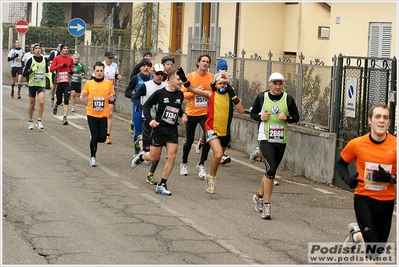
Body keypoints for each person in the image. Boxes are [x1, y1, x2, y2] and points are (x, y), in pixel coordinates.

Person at [336, 103, 396, 262]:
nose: (381, 121)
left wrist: (391, 179)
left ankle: (356, 235)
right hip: (364, 199)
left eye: (385, 117)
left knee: (378, 248)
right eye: (377, 117)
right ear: (370, 120)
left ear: (389, 122)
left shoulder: (396, 145)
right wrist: (347, 178)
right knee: (373, 248)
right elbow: (340, 164)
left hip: (386, 201)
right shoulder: (357, 144)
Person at [177, 67, 245, 194]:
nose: (222, 85)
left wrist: (233, 95)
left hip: (225, 131)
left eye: (225, 83)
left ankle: (210, 175)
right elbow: (192, 89)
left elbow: (241, 111)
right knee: (218, 154)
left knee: (217, 158)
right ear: (215, 84)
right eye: (220, 83)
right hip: (211, 129)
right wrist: (184, 79)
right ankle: (212, 179)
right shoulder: (210, 94)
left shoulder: (231, 98)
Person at [130, 70, 188, 196]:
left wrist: (183, 114)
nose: (180, 82)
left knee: (172, 156)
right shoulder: (160, 93)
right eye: (178, 80)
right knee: (153, 157)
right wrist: (150, 120)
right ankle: (141, 157)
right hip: (159, 129)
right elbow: (146, 106)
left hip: (172, 130)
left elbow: (178, 109)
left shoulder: (180, 95)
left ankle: (162, 184)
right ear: (171, 80)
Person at [250, 72, 300, 219]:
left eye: (280, 84)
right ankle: (267, 206)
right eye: (275, 83)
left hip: (280, 139)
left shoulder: (288, 99)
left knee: (269, 172)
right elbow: (251, 113)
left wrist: (287, 118)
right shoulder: (261, 97)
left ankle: (259, 196)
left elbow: (296, 117)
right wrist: (260, 117)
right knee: (271, 169)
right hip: (265, 137)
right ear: (269, 83)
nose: (278, 86)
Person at [131, 63, 168, 185]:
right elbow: (134, 98)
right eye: (157, 74)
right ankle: (141, 150)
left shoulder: (165, 86)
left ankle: (150, 174)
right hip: (147, 120)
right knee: (149, 150)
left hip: (160, 122)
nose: (159, 76)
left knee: (158, 152)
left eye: (162, 74)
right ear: (153, 73)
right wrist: (143, 107)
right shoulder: (146, 86)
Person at [180, 54, 214, 177]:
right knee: (189, 140)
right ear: (198, 63)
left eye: (207, 62)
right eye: (203, 61)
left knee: (209, 138)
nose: (205, 63)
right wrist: (194, 91)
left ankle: (201, 164)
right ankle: (184, 162)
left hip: (205, 113)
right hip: (191, 113)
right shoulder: (190, 76)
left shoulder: (212, 77)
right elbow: (182, 95)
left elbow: (214, 93)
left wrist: (207, 93)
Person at [80, 62, 115, 167]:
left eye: (101, 71)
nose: (99, 73)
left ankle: (94, 138)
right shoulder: (89, 83)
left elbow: (112, 95)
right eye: (97, 71)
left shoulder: (108, 83)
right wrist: (83, 95)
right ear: (93, 71)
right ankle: (93, 157)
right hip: (91, 114)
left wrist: (111, 98)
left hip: (103, 115)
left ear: (103, 71)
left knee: (102, 138)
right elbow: (83, 98)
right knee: (95, 136)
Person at [125, 59, 153, 155]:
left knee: (149, 132)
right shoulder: (135, 78)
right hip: (138, 108)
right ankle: (137, 152)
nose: (146, 68)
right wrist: (135, 97)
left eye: (148, 66)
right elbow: (127, 92)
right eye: (143, 66)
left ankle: (147, 151)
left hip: (150, 109)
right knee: (138, 131)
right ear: (140, 68)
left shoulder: (153, 78)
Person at [22, 43, 49, 130]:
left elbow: (47, 72)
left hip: (41, 84)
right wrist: (32, 70)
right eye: (36, 48)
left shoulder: (45, 60)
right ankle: (30, 121)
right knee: (32, 105)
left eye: (39, 48)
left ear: (41, 50)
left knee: (41, 102)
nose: (38, 50)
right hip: (32, 84)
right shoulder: (30, 60)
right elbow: (24, 73)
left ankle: (39, 120)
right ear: (33, 50)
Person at [50, 43, 74, 125]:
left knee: (66, 99)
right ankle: (56, 105)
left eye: (67, 48)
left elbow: (72, 68)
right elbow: (51, 69)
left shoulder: (70, 59)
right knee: (60, 100)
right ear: (61, 49)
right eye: (64, 48)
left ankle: (64, 118)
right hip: (59, 82)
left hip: (67, 82)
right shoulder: (57, 58)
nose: (66, 49)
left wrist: (71, 71)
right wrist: (60, 65)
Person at [102, 51, 122, 144]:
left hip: (111, 92)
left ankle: (108, 135)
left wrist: (118, 76)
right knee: (101, 113)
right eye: (109, 58)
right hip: (101, 92)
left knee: (110, 113)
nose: (110, 60)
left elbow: (116, 76)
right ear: (105, 57)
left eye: (112, 58)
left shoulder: (115, 65)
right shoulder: (101, 66)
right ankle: (98, 131)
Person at [48, 43, 62, 107]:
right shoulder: (54, 53)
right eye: (59, 46)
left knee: (61, 87)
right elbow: (48, 60)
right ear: (57, 47)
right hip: (55, 72)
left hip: (62, 73)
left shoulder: (63, 54)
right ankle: (52, 99)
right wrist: (55, 62)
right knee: (54, 86)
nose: (60, 47)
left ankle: (59, 100)